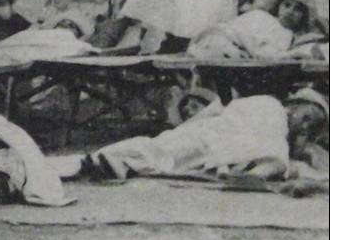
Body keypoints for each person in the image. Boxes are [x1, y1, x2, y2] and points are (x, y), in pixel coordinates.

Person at [81, 89, 328, 182]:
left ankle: (114, 163)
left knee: (174, 158)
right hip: (216, 133)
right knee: (166, 146)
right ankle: (106, 159)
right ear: (294, 105)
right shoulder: (270, 105)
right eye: (305, 116)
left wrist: (301, 141)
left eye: (310, 126)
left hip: (223, 143)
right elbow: (232, 114)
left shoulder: (282, 133)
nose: (303, 125)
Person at [189, 0, 326, 60]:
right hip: (216, 41)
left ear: (303, 16)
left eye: (297, 9)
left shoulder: (290, 35)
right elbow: (261, 50)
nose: (290, 11)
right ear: (278, 6)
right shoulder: (262, 18)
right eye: (287, 5)